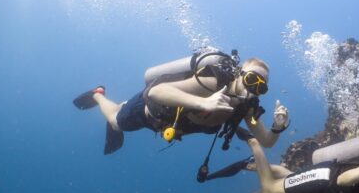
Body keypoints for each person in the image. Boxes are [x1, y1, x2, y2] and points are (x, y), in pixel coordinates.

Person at [73, 48, 289, 155]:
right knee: (115, 122)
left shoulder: (245, 107)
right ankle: (98, 94)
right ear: (240, 74)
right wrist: (204, 103)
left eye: (260, 87)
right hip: (147, 111)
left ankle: (119, 105)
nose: (252, 89)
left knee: (118, 118)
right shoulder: (212, 82)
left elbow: (267, 142)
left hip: (167, 125)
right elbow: (156, 92)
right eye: (251, 79)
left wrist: (278, 127)